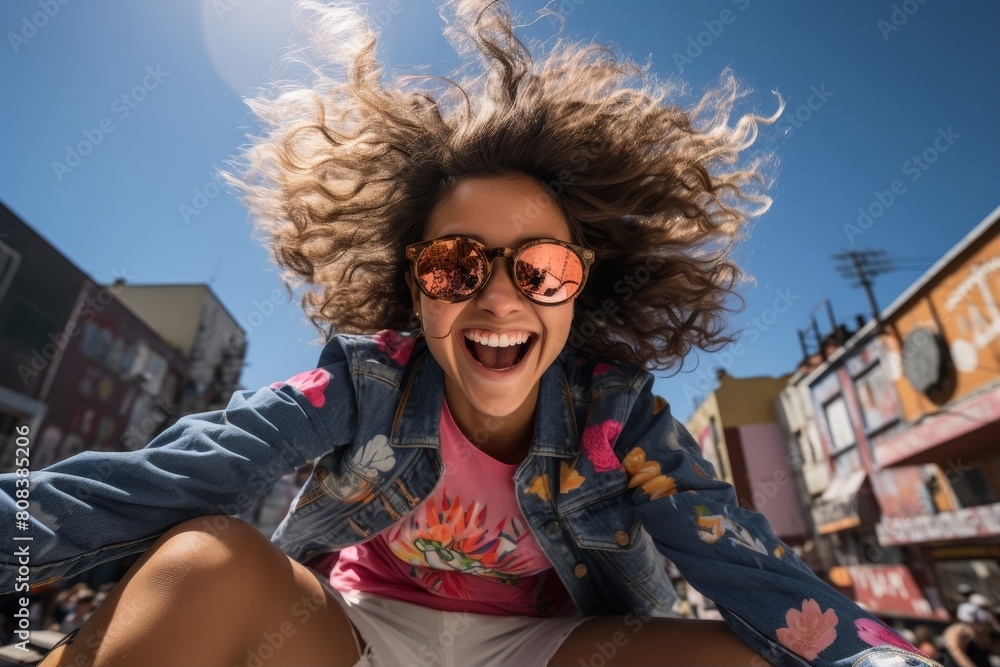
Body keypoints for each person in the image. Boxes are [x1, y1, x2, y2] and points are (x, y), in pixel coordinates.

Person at [1, 2, 944, 666]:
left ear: (582, 290)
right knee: (210, 554)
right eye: (457, 265)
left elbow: (746, 568)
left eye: (540, 269)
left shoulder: (622, 421)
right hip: (354, 636)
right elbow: (171, 474)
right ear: (415, 289)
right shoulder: (361, 385)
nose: (499, 300)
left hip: (542, 648)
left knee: (752, 654)